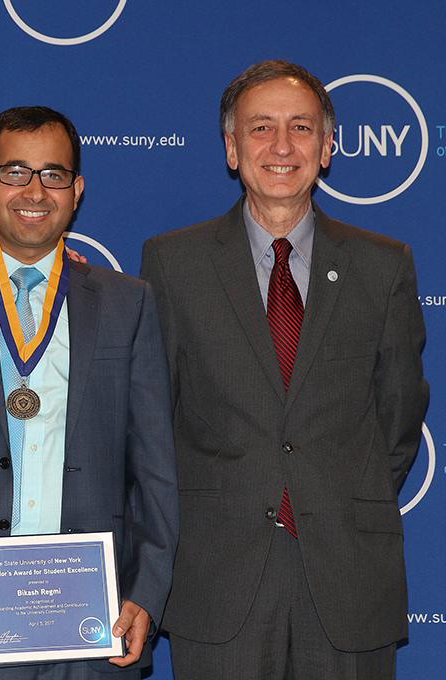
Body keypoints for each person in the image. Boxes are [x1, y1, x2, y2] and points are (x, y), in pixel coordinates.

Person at [142, 60, 428, 680]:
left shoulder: (384, 267)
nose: (280, 146)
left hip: (348, 578)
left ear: (327, 148)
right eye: (260, 128)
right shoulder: (173, 264)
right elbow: (154, 423)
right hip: (219, 580)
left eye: (301, 128)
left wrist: (336, 495)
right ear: (230, 147)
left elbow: (399, 421)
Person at [0, 106, 178, 679]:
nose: (34, 190)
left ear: (76, 191)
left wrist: (147, 592)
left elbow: (155, 467)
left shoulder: (130, 304)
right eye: (15, 172)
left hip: (95, 624)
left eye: (53, 174)